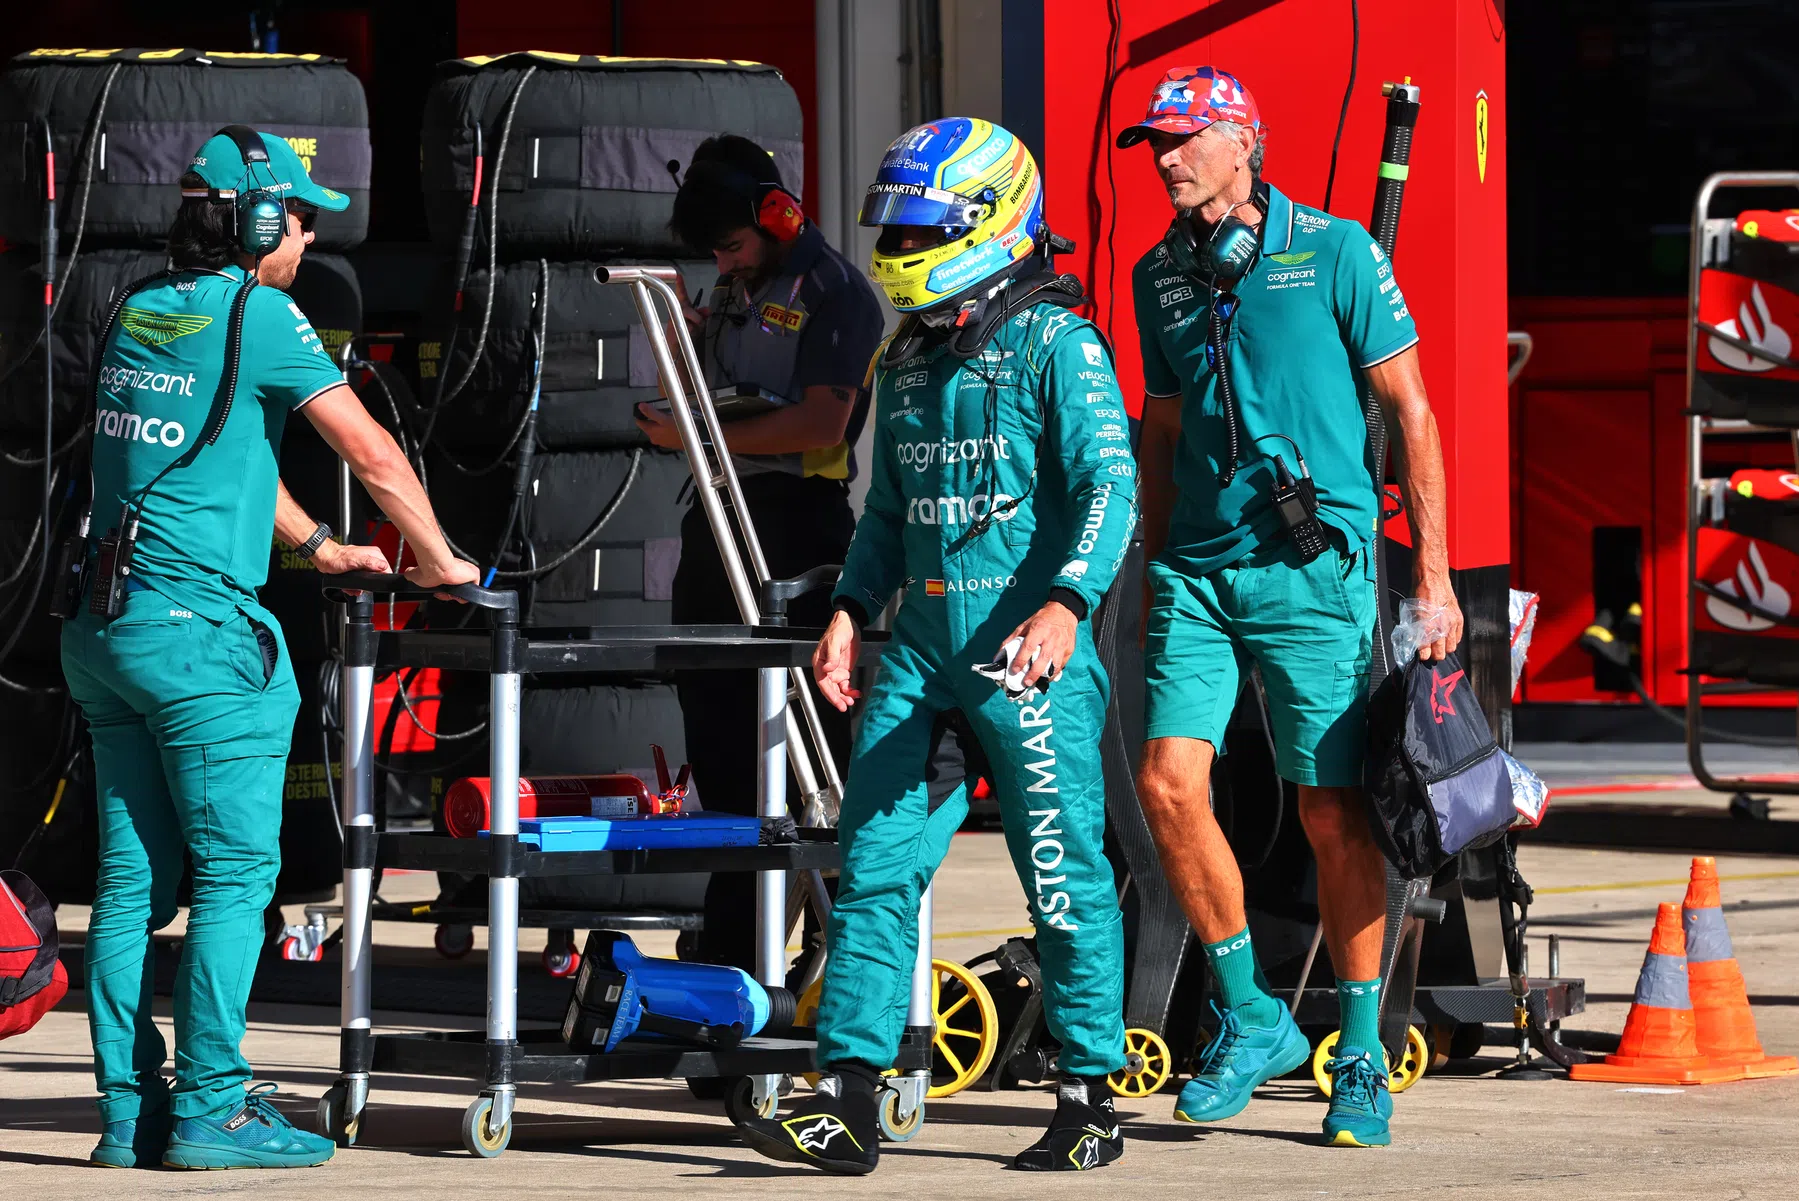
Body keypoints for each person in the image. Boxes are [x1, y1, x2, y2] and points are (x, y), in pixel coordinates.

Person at [60, 126, 478, 1170]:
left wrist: (318, 545)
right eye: (297, 216)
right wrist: (439, 561)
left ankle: (128, 1113)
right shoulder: (261, 312)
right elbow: (373, 451)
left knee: (128, 886)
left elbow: (214, 449)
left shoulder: (134, 305)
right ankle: (211, 1106)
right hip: (203, 642)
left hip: (108, 633)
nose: (303, 236)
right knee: (238, 874)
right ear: (254, 222)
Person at [737, 118, 1137, 1175]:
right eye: (894, 221)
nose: (900, 237)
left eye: (919, 222)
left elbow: (1111, 484)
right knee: (872, 869)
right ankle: (849, 1100)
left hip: (1028, 659)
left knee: (1058, 876)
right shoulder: (907, 353)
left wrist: (1066, 602)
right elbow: (884, 510)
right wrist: (846, 610)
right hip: (915, 652)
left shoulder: (1061, 345)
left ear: (990, 222)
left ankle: (1088, 1094)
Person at [1120, 67, 1463, 1148]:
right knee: (1166, 785)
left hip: (1316, 573)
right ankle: (1251, 1015)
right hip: (1195, 571)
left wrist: (1435, 574)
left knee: (1329, 809)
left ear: (1241, 143)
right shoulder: (1155, 275)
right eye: (1153, 142)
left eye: (1181, 139)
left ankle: (1357, 1049)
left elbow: (1410, 408)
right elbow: (1164, 429)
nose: (1164, 157)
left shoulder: (1336, 250)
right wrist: (1144, 555)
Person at [637, 135, 884, 976]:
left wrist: (699, 435)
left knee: (810, 753)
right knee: (722, 749)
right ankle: (738, 955)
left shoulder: (838, 292)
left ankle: (841, 948)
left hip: (795, 533)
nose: (724, 261)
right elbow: (692, 390)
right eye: (712, 253)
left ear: (776, 216)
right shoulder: (731, 281)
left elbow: (822, 423)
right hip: (715, 523)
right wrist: (678, 323)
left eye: (732, 245)